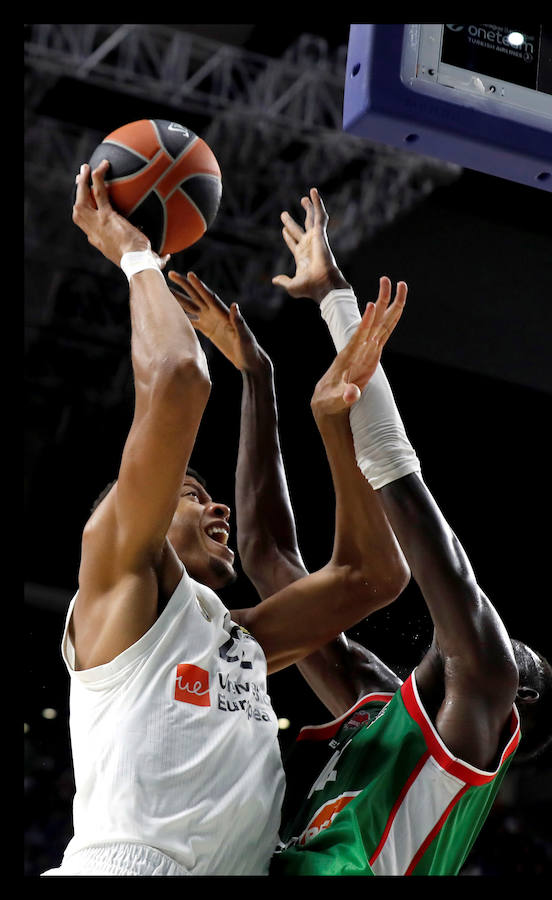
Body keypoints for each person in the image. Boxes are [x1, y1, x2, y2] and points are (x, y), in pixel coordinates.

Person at [42, 161, 412, 877]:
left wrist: (306, 408)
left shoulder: (238, 642)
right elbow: (179, 378)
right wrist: (134, 253)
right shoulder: (117, 582)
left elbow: (373, 574)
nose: (213, 504)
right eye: (187, 493)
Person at [197, 186, 552, 876]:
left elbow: (447, 572)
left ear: (509, 709)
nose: (497, 638)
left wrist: (342, 308)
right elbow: (270, 559)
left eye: (513, 655)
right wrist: (256, 376)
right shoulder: (376, 709)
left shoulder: (477, 691)